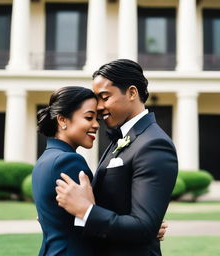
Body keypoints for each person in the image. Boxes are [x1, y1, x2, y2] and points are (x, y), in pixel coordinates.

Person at [56, 59, 178, 256]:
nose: (99, 108)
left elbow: (143, 227)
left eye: (105, 97)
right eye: (97, 100)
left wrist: (86, 210)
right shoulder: (120, 138)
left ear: (131, 92)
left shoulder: (154, 144)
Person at [32, 86, 99, 256]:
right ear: (62, 120)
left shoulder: (45, 160)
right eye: (89, 117)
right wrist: (140, 230)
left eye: (97, 118)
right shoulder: (68, 162)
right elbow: (90, 219)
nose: (97, 125)